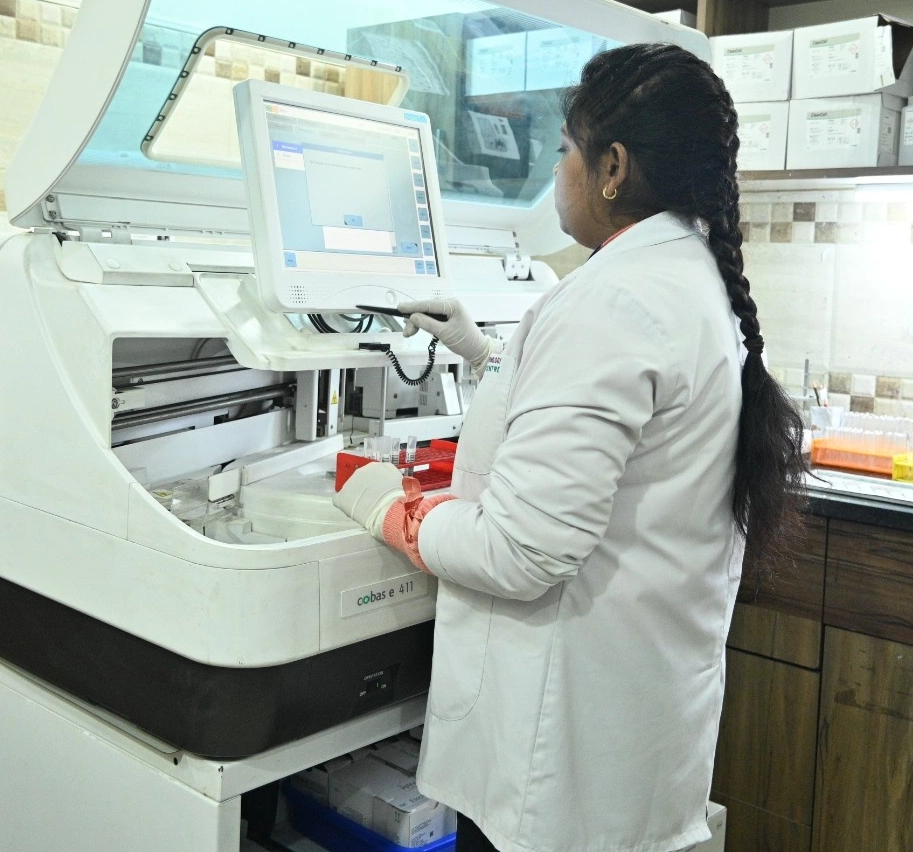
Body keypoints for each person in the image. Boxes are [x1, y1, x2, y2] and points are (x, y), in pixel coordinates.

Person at [333, 42, 806, 852]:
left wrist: (394, 513)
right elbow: (620, 431)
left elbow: (521, 552)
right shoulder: (682, 279)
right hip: (635, 728)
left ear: (612, 166)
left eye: (563, 150)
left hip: (563, 761)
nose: (558, 171)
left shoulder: (613, 300)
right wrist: (488, 355)